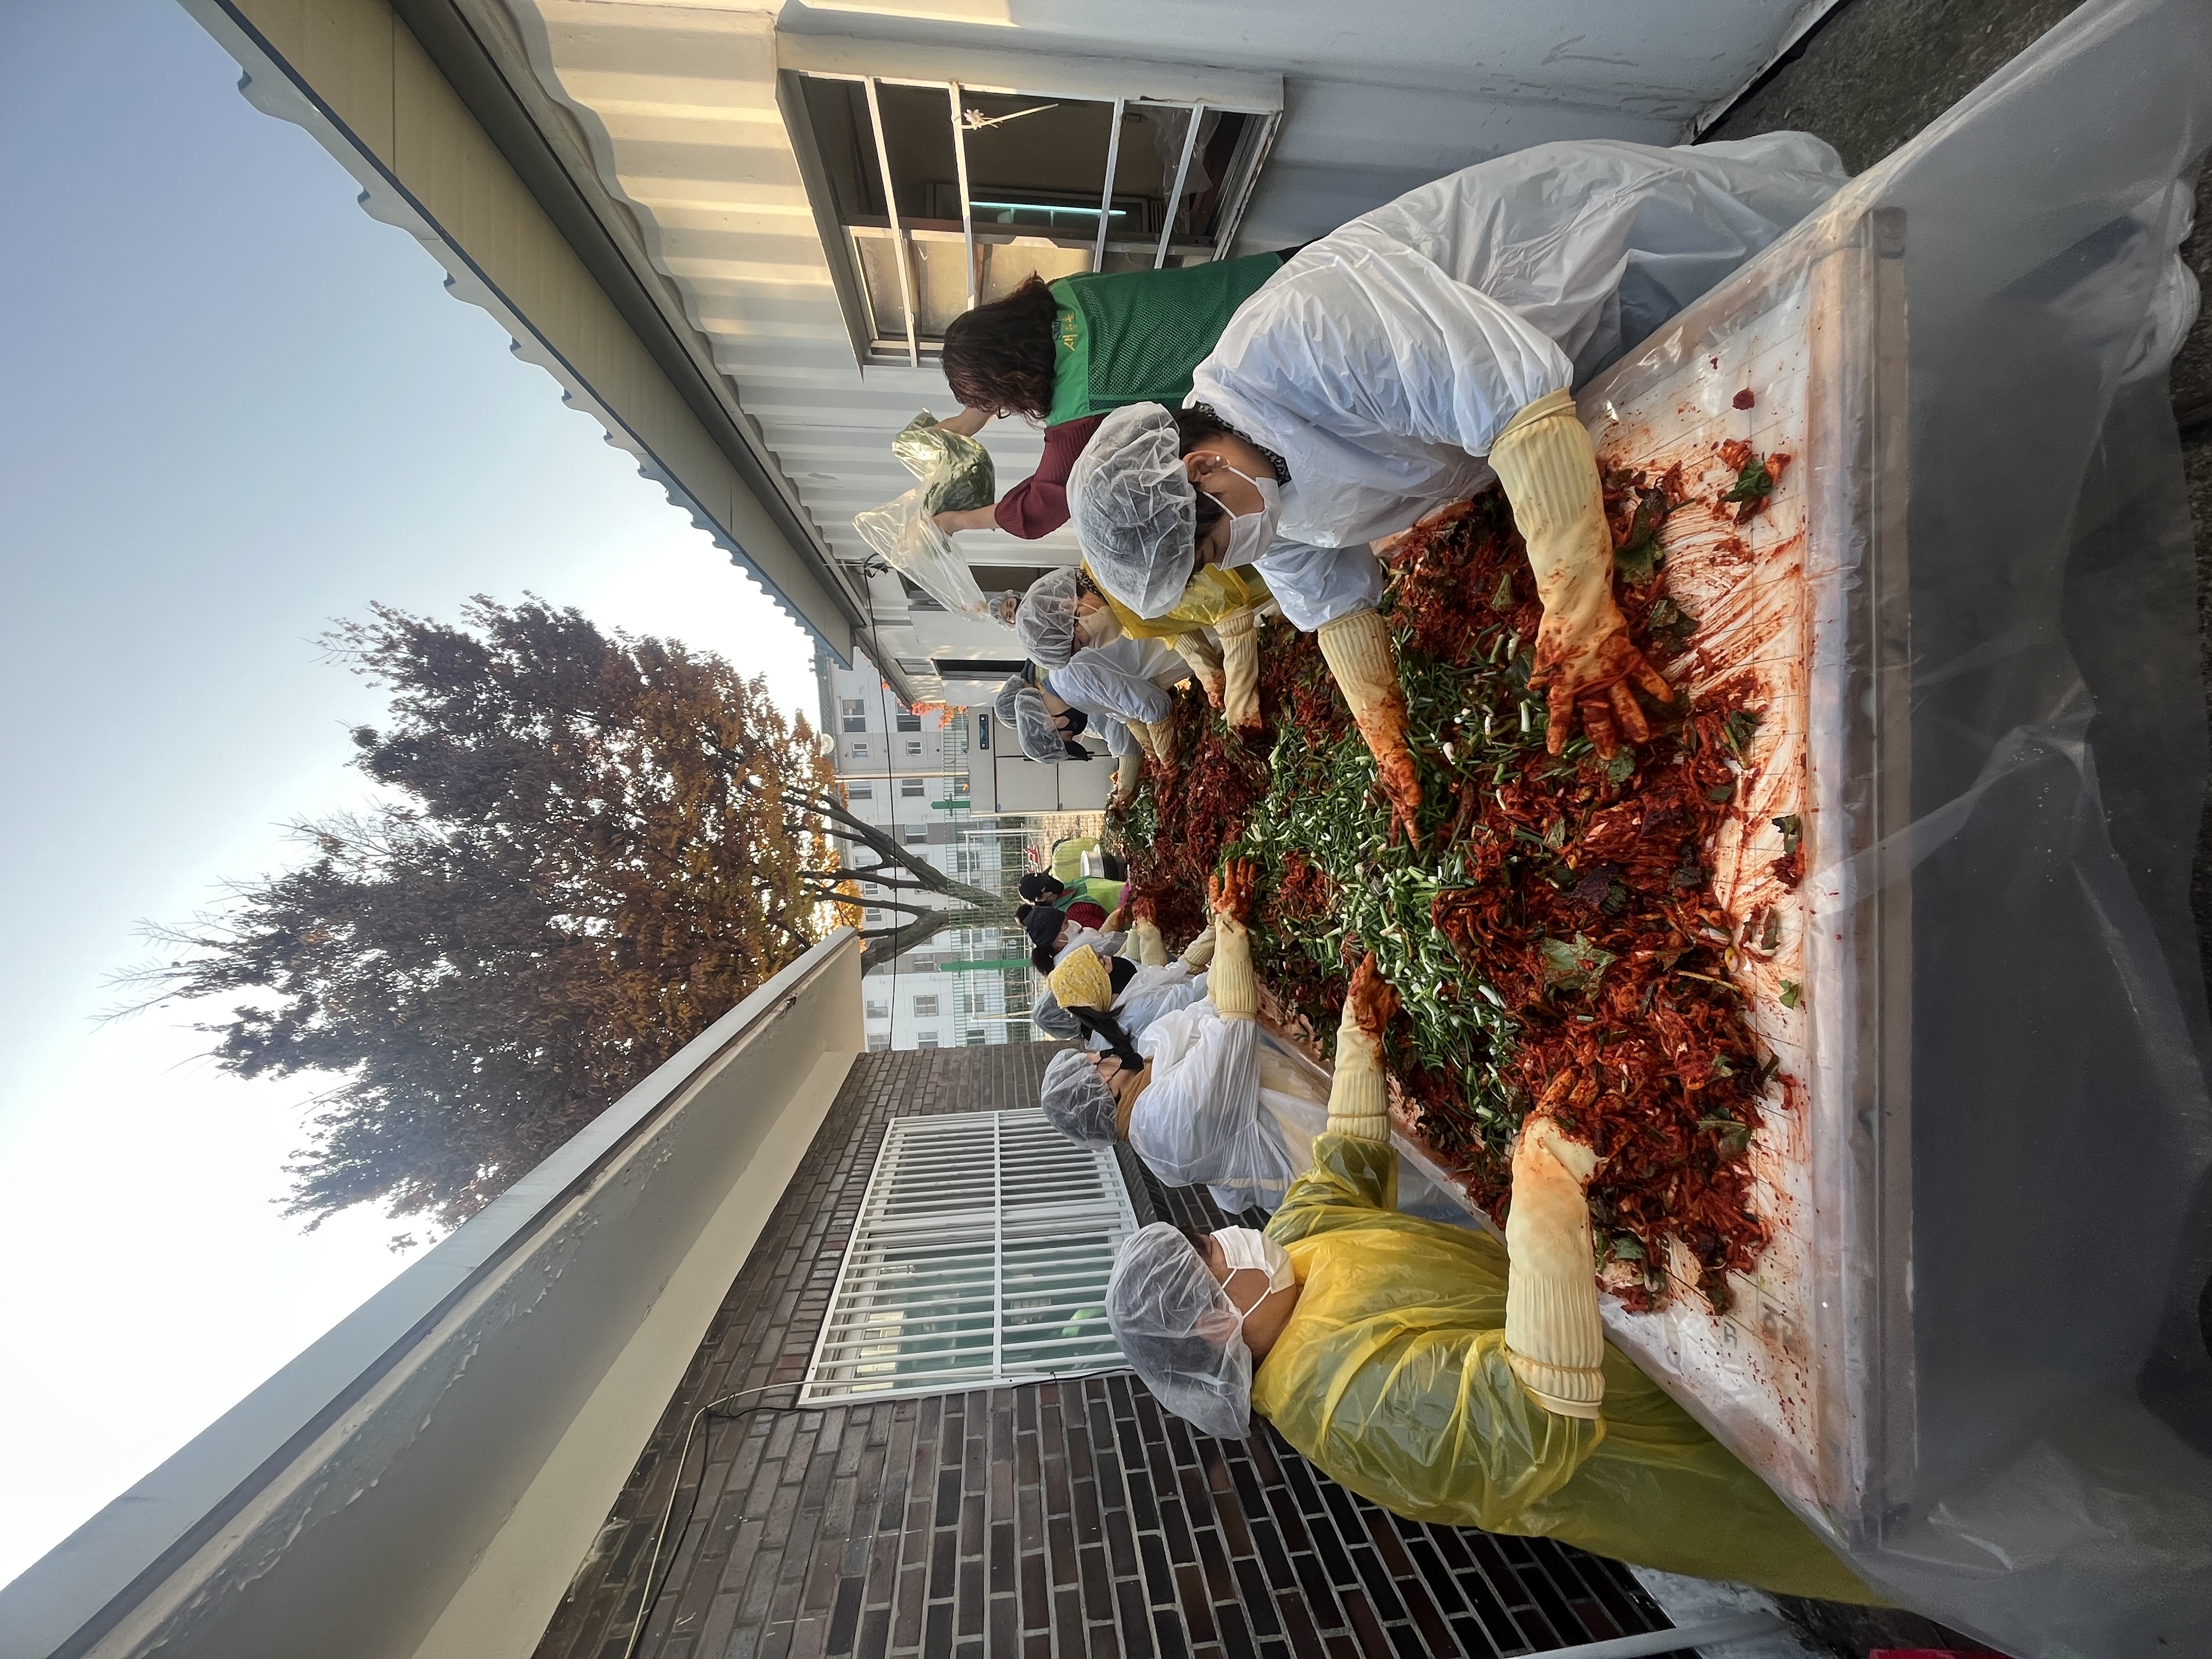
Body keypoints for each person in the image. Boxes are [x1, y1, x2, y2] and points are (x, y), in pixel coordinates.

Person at [1069, 134, 1850, 818]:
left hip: (1586, 267)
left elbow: (1520, 414)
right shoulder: (1256, 492)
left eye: (1214, 550)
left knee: (1814, 295)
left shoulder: (1301, 341)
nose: (1238, 558)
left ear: (1202, 467)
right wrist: (1388, 744)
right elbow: (1332, 605)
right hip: (1576, 400)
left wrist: (1578, 612)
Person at [1099, 947, 1880, 1604]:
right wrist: (1542, 1200)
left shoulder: (1293, 1251)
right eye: (1212, 1254)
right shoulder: (1344, 1407)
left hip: (1668, 1330)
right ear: (1216, 1323)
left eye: (1209, 1236)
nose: (1232, 1238)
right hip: (1709, 1451)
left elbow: (1345, 1165)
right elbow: (1537, 1413)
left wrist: (1359, 1040)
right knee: (1883, 1463)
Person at [1039, 863, 1462, 1221]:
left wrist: (1223, 930)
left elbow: (1207, 1005)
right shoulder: (1162, 1127)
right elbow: (1233, 1028)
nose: (1104, 1056)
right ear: (1105, 1088)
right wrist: (1228, 932)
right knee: (1438, 1177)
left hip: (1315, 1104)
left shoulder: (1148, 1065)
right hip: (1316, 1153)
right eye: (1095, 1064)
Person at [927, 250, 1301, 543]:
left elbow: (1039, 511)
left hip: (1288, 355)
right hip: (1280, 273)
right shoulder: (1063, 293)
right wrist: (968, 419)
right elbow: (1009, 350)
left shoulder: (1079, 409)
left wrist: (958, 521)